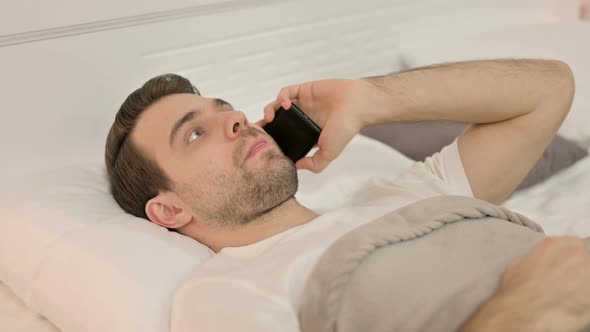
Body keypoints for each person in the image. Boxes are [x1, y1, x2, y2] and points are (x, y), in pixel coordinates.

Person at [104, 59, 590, 331]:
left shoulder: (404, 193)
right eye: (194, 135)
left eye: (227, 110)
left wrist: (371, 100)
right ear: (169, 210)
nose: (236, 120)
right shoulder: (223, 294)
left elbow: (549, 90)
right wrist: (531, 311)